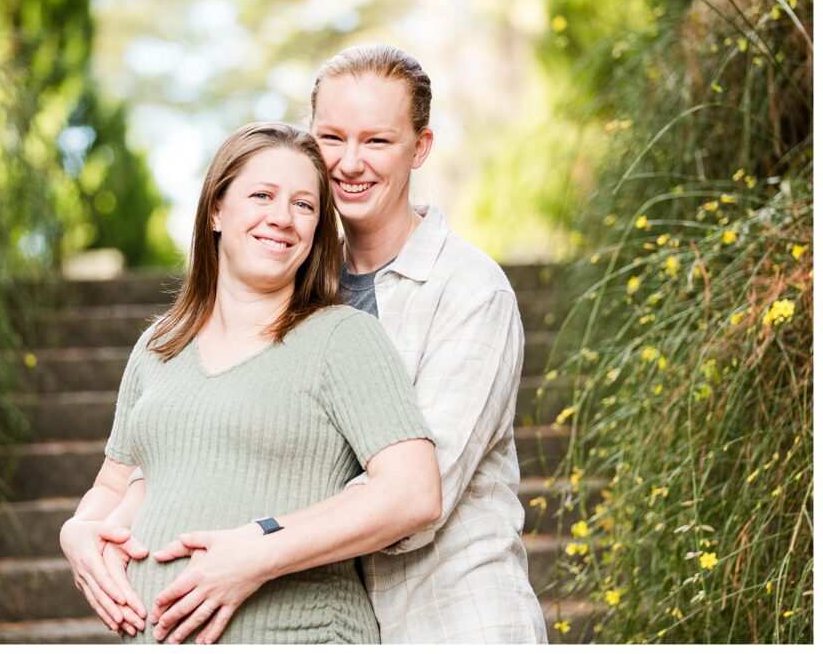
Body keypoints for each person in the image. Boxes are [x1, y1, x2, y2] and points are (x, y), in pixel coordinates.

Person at [65, 44, 548, 644]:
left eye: (377, 141)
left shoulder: (466, 291)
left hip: (446, 614)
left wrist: (255, 542)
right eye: (331, 139)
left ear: (420, 148)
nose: (349, 162)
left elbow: (418, 494)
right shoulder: (287, 292)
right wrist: (86, 526)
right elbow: (165, 461)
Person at [58, 121, 441, 645]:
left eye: (305, 205)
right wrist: (76, 532)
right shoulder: (158, 346)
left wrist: (258, 552)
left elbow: (413, 493)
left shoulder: (342, 337)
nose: (282, 218)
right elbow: (112, 485)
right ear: (216, 209)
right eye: (262, 194)